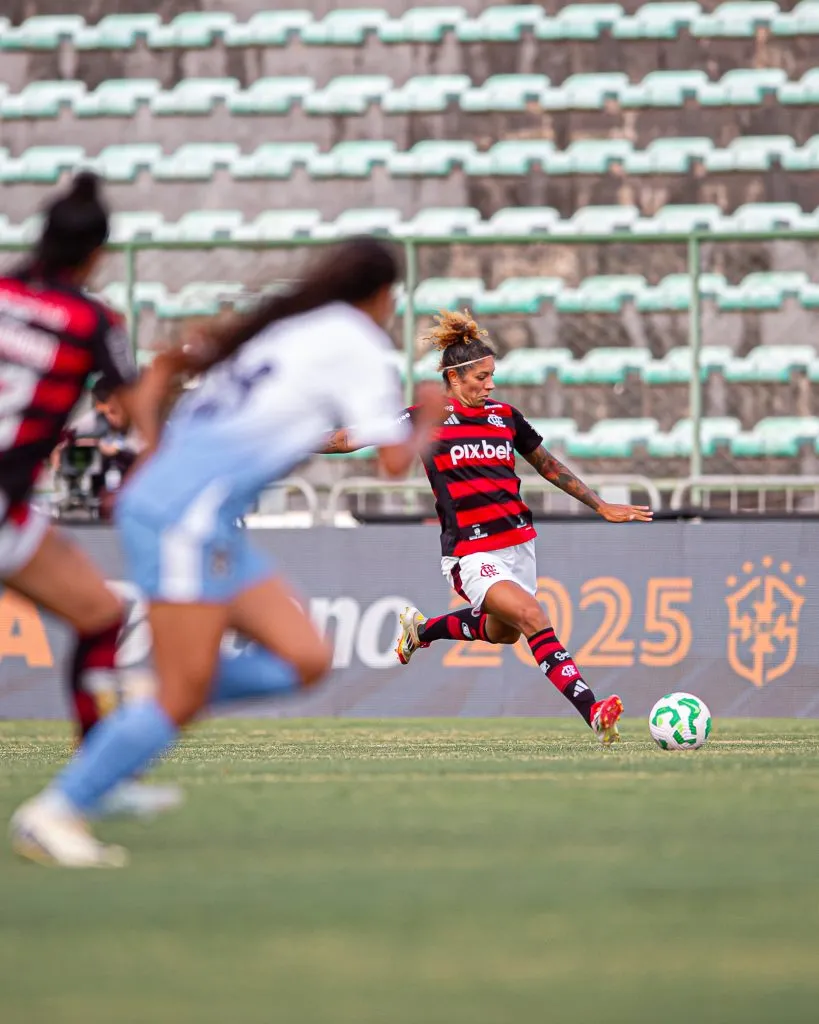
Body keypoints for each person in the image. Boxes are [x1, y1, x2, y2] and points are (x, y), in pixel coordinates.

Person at [11, 236, 443, 868]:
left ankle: (142, 708)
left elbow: (161, 368)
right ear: (382, 296)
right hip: (185, 519)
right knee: (182, 695)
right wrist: (430, 412)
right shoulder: (358, 343)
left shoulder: (284, 328)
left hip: (196, 517)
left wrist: (154, 449)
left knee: (306, 656)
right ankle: (55, 812)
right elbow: (394, 461)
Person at [325, 310, 653, 741]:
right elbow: (350, 439)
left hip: (519, 545)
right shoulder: (426, 418)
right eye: (481, 376)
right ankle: (594, 711)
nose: (490, 384)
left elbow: (547, 464)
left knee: (502, 633)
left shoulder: (505, 417)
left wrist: (599, 504)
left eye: (492, 375)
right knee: (533, 617)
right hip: (471, 553)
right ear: (454, 378)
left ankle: (421, 631)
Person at [0, 171, 180, 815]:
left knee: (101, 613)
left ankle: (99, 780)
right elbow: (143, 424)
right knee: (102, 619)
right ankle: (100, 779)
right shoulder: (92, 320)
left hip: (12, 511)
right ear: (97, 255)